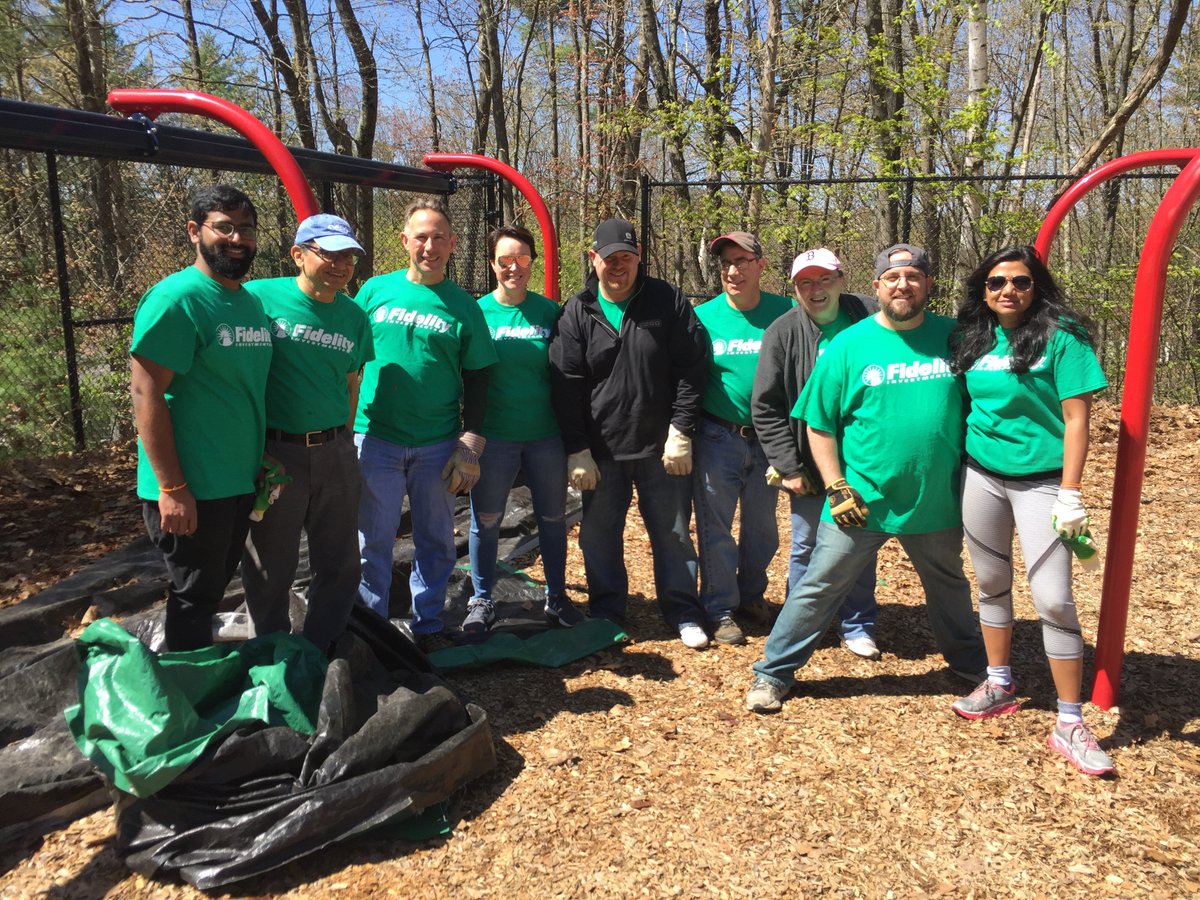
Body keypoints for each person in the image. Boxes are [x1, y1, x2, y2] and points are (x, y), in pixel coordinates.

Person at [745, 243, 986, 712]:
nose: (903, 285)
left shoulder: (955, 338)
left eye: (913, 277)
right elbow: (819, 423)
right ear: (876, 287)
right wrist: (836, 485)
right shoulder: (849, 344)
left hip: (934, 500)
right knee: (818, 585)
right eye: (892, 278)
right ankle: (773, 673)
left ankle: (971, 664)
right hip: (860, 499)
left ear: (928, 284)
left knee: (950, 586)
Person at [948, 246, 1114, 776]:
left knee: (1054, 599)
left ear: (1035, 286)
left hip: (1043, 484)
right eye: (996, 282)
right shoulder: (972, 337)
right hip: (982, 475)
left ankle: (1069, 720)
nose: (1008, 291)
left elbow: (1077, 419)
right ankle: (999, 683)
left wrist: (1071, 491)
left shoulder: (1063, 337)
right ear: (983, 290)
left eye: (1020, 281)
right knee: (991, 583)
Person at [549, 218, 710, 648]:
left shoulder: (666, 300)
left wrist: (681, 429)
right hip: (601, 449)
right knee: (599, 536)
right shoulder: (577, 310)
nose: (618, 266)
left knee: (674, 534)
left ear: (639, 258)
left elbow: (693, 367)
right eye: (609, 258)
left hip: (662, 448)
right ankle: (606, 611)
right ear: (593, 259)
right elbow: (565, 384)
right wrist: (577, 448)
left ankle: (683, 610)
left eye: (627, 257)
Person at [129, 185, 273, 651]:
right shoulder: (177, 299)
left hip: (236, 481)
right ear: (195, 231)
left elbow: (240, 389)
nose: (237, 239)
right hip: (192, 486)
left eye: (246, 229)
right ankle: (186, 683)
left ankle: (200, 669)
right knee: (193, 595)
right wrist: (172, 487)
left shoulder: (248, 302)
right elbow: (146, 393)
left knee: (210, 589)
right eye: (224, 227)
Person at [353, 198, 498, 654]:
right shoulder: (374, 292)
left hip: (437, 444)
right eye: (421, 237)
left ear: (452, 244)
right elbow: (348, 360)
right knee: (371, 542)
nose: (429, 246)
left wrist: (470, 444)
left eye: (438, 238)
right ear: (404, 241)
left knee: (435, 540)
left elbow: (479, 375)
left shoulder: (464, 306)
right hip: (374, 437)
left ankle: (429, 623)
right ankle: (371, 632)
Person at [241, 214, 375, 653]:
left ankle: (323, 649)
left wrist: (345, 442)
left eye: (348, 257)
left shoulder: (354, 316)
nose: (340, 265)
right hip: (277, 453)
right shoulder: (259, 299)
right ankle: (272, 655)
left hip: (335, 450)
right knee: (270, 565)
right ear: (298, 254)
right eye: (329, 254)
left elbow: (351, 384)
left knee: (340, 562)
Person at [751, 248, 881, 659]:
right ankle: (802, 624)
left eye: (825, 279)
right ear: (794, 289)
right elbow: (765, 406)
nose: (816, 289)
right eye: (805, 282)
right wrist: (788, 465)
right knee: (807, 546)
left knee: (859, 541)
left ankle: (857, 624)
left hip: (863, 460)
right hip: (809, 465)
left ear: (841, 280)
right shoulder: (782, 332)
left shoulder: (871, 318)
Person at [463, 224, 583, 633]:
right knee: (486, 520)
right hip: (493, 437)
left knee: (552, 519)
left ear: (532, 263)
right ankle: (481, 599)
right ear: (492, 264)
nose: (513, 267)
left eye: (522, 259)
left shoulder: (550, 312)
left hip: (545, 436)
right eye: (505, 260)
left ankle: (557, 597)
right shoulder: (477, 313)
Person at [691, 232, 792, 646]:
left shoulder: (786, 313)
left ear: (760, 265)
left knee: (762, 527)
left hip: (771, 436)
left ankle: (751, 595)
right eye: (726, 263)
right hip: (718, 435)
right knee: (716, 526)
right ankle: (719, 608)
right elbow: (688, 378)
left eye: (742, 261)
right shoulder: (703, 317)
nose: (733, 271)